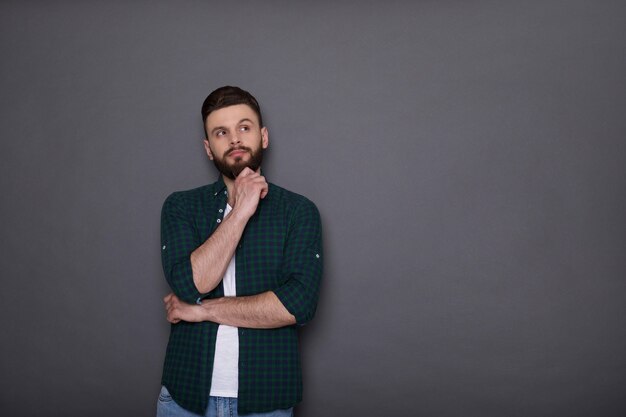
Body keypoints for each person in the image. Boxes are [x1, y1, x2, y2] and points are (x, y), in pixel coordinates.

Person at [157, 86, 323, 417]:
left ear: (263, 136)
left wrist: (201, 311)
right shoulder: (181, 207)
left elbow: (297, 306)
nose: (234, 139)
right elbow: (192, 284)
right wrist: (241, 211)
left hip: (266, 401)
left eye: (244, 128)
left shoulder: (298, 211)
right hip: (184, 399)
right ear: (208, 148)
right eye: (221, 133)